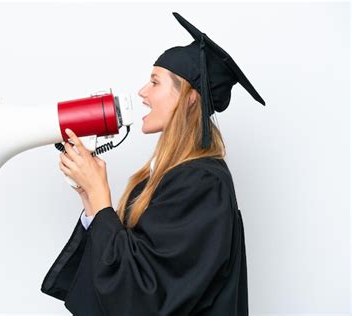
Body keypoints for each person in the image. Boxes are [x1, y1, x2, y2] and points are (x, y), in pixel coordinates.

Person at [41, 12, 265, 315]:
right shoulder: (171, 175)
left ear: (188, 97)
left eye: (155, 82)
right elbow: (138, 262)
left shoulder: (204, 184)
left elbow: (149, 294)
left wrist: (101, 198)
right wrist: (91, 203)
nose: (142, 93)